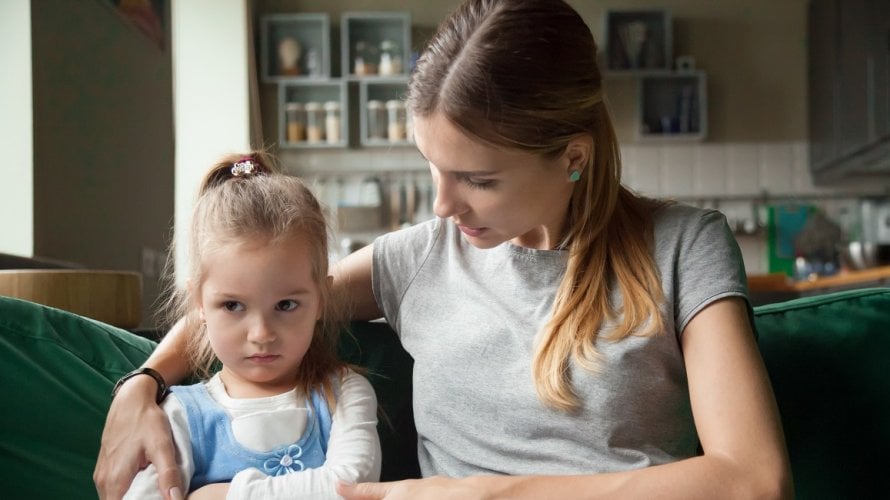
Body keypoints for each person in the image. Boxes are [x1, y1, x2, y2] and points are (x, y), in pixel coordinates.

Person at [95, 0, 793, 498]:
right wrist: (143, 384)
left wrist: (494, 495)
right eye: (434, 168)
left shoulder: (683, 247)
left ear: (572, 157)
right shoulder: (419, 258)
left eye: (479, 180)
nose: (442, 205)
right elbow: (258, 300)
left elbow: (754, 481)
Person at [117, 153, 380, 499]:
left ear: (321, 300)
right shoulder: (180, 413)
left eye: (286, 305)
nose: (261, 334)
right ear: (199, 303)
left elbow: (352, 489)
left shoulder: (344, 393)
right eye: (232, 306)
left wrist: (216, 496)